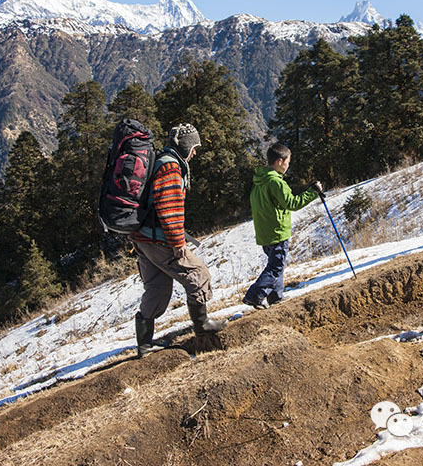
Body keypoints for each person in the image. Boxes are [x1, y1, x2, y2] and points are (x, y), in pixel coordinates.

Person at [130, 124, 226, 357]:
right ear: (185, 147)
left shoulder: (159, 160)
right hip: (159, 239)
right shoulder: (171, 167)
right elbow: (169, 208)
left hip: (143, 237)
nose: (195, 152)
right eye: (194, 147)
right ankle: (202, 326)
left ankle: (144, 345)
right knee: (198, 275)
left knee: (157, 288)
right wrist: (177, 243)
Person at [243, 143, 321, 309]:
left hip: (264, 232)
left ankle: (276, 298)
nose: (288, 166)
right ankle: (255, 295)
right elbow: (292, 203)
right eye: (287, 162)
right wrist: (312, 192)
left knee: (276, 265)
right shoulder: (276, 183)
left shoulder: (259, 181)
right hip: (277, 231)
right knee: (276, 267)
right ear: (280, 161)